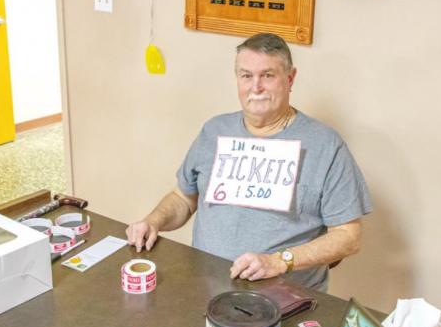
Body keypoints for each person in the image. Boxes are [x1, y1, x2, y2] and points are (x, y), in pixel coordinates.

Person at [125, 33, 372, 291]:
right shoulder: (214, 131)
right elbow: (183, 198)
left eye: (267, 75)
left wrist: (279, 261)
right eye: (246, 76)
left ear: (290, 79)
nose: (256, 87)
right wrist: (153, 221)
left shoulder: (326, 145)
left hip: (287, 301)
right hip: (204, 290)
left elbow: (348, 237)